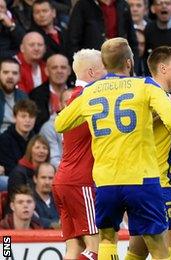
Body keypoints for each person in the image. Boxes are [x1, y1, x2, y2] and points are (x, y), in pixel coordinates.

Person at [54, 38, 171, 260]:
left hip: (106, 181)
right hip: (142, 179)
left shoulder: (91, 92)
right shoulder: (145, 85)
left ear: (105, 64)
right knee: (158, 246)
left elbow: (60, 124)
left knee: (107, 239)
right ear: (129, 62)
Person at [125, 46, 171, 260]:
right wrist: (170, 103)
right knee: (170, 251)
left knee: (138, 250)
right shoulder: (149, 95)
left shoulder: (148, 94)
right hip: (156, 185)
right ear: (163, 68)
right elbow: (133, 126)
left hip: (138, 183)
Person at [52, 48, 106, 260]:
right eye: (105, 69)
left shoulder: (74, 98)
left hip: (63, 180)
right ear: (92, 72)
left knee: (73, 249)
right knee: (95, 249)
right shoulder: (90, 98)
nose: (109, 74)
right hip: (81, 182)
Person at [29, 53, 70, 132]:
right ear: (47, 71)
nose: (59, 71)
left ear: (69, 71)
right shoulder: (35, 95)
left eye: (63, 67)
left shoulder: (78, 91)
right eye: (54, 68)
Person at [0, 99, 37, 175]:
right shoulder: (4, 139)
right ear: (14, 117)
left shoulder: (37, 140)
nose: (27, 120)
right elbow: (10, 168)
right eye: (23, 116)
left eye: (31, 116)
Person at [7, 135, 49, 200]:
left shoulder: (49, 172)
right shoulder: (18, 173)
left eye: (45, 148)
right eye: (37, 147)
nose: (41, 151)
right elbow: (17, 200)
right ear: (30, 151)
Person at [38, 88, 72, 168]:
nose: (71, 105)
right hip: (59, 174)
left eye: (74, 101)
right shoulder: (49, 128)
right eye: (67, 102)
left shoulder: (86, 123)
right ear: (60, 105)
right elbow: (54, 161)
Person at [0, 58, 27, 134]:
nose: (10, 76)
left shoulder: (23, 97)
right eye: (5, 72)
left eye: (14, 73)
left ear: (19, 77)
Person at [32, 162, 59, 229]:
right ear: (35, 179)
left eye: (51, 178)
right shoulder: (28, 199)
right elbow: (33, 220)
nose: (47, 182)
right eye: (43, 177)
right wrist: (56, 224)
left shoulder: (59, 199)